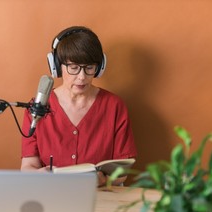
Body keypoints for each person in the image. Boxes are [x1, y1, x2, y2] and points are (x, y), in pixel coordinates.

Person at [20, 26, 137, 186]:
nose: (82, 77)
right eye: (74, 68)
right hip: (52, 194)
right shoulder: (37, 107)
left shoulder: (114, 105)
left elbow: (122, 171)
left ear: (99, 67)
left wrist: (105, 180)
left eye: (89, 68)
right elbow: (28, 167)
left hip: (100, 197)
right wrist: (39, 175)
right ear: (57, 66)